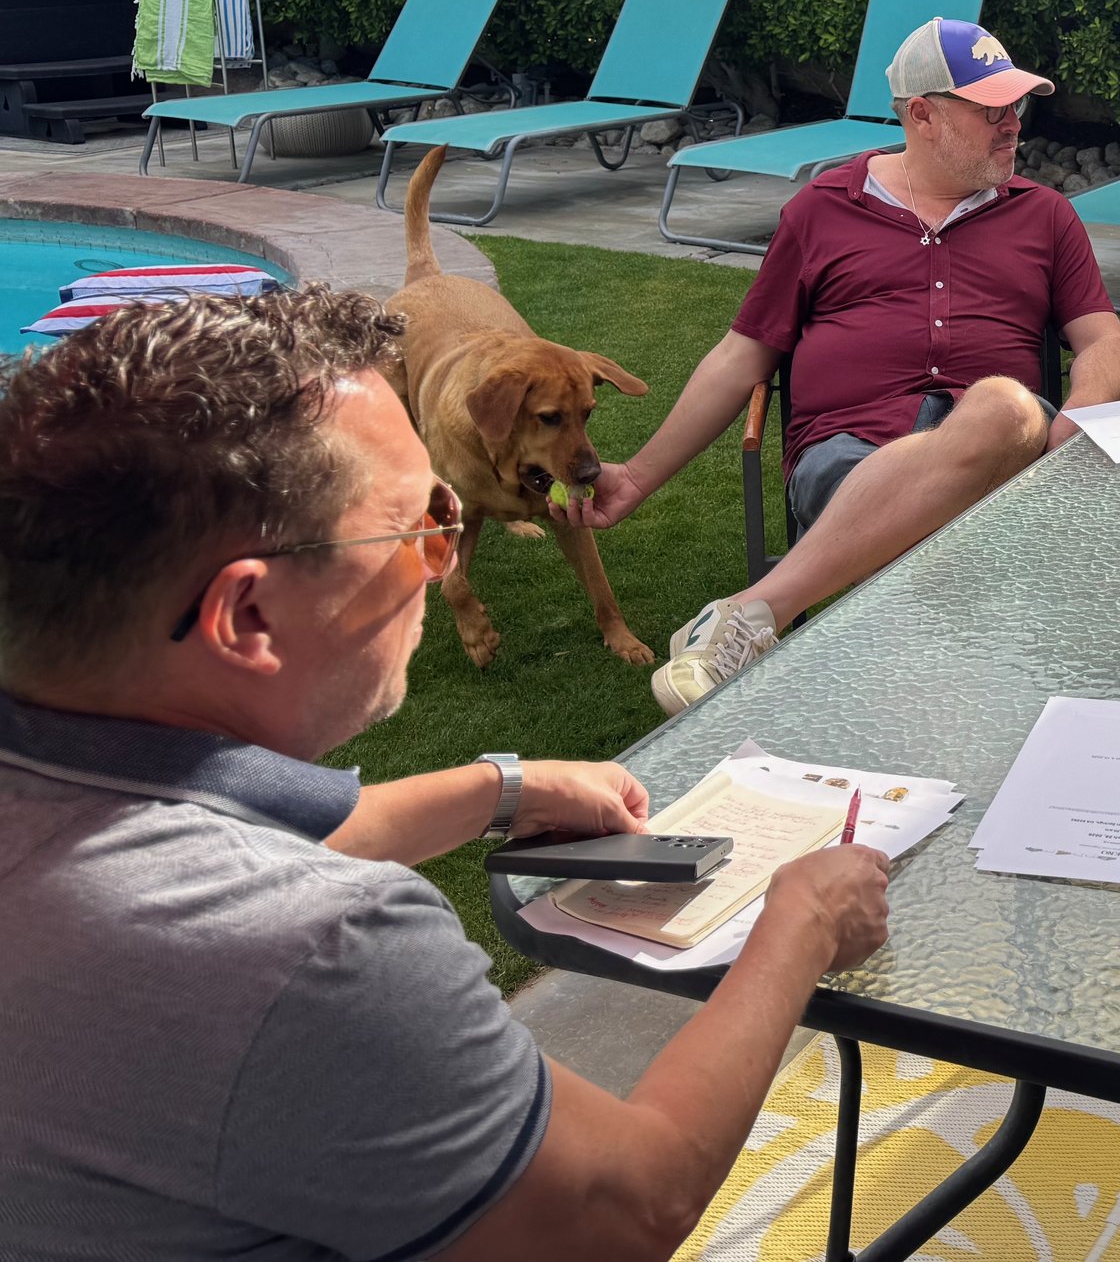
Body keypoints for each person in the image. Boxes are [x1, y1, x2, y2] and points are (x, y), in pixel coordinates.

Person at [0, 291, 893, 1260]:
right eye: (417, 524)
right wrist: (799, 925)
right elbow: (630, 1205)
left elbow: (224, 852)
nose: (441, 558)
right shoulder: (322, 951)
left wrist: (498, 790)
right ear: (245, 619)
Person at [564, 17, 1120, 712]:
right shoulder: (823, 209)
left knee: (1003, 408)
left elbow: (1105, 341)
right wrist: (639, 477)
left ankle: (752, 612)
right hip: (847, 456)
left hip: (1005, 455)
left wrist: (1080, 414)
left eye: (1017, 104)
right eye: (992, 109)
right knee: (947, 512)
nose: (1013, 122)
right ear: (922, 113)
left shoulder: (1043, 215)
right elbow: (741, 354)